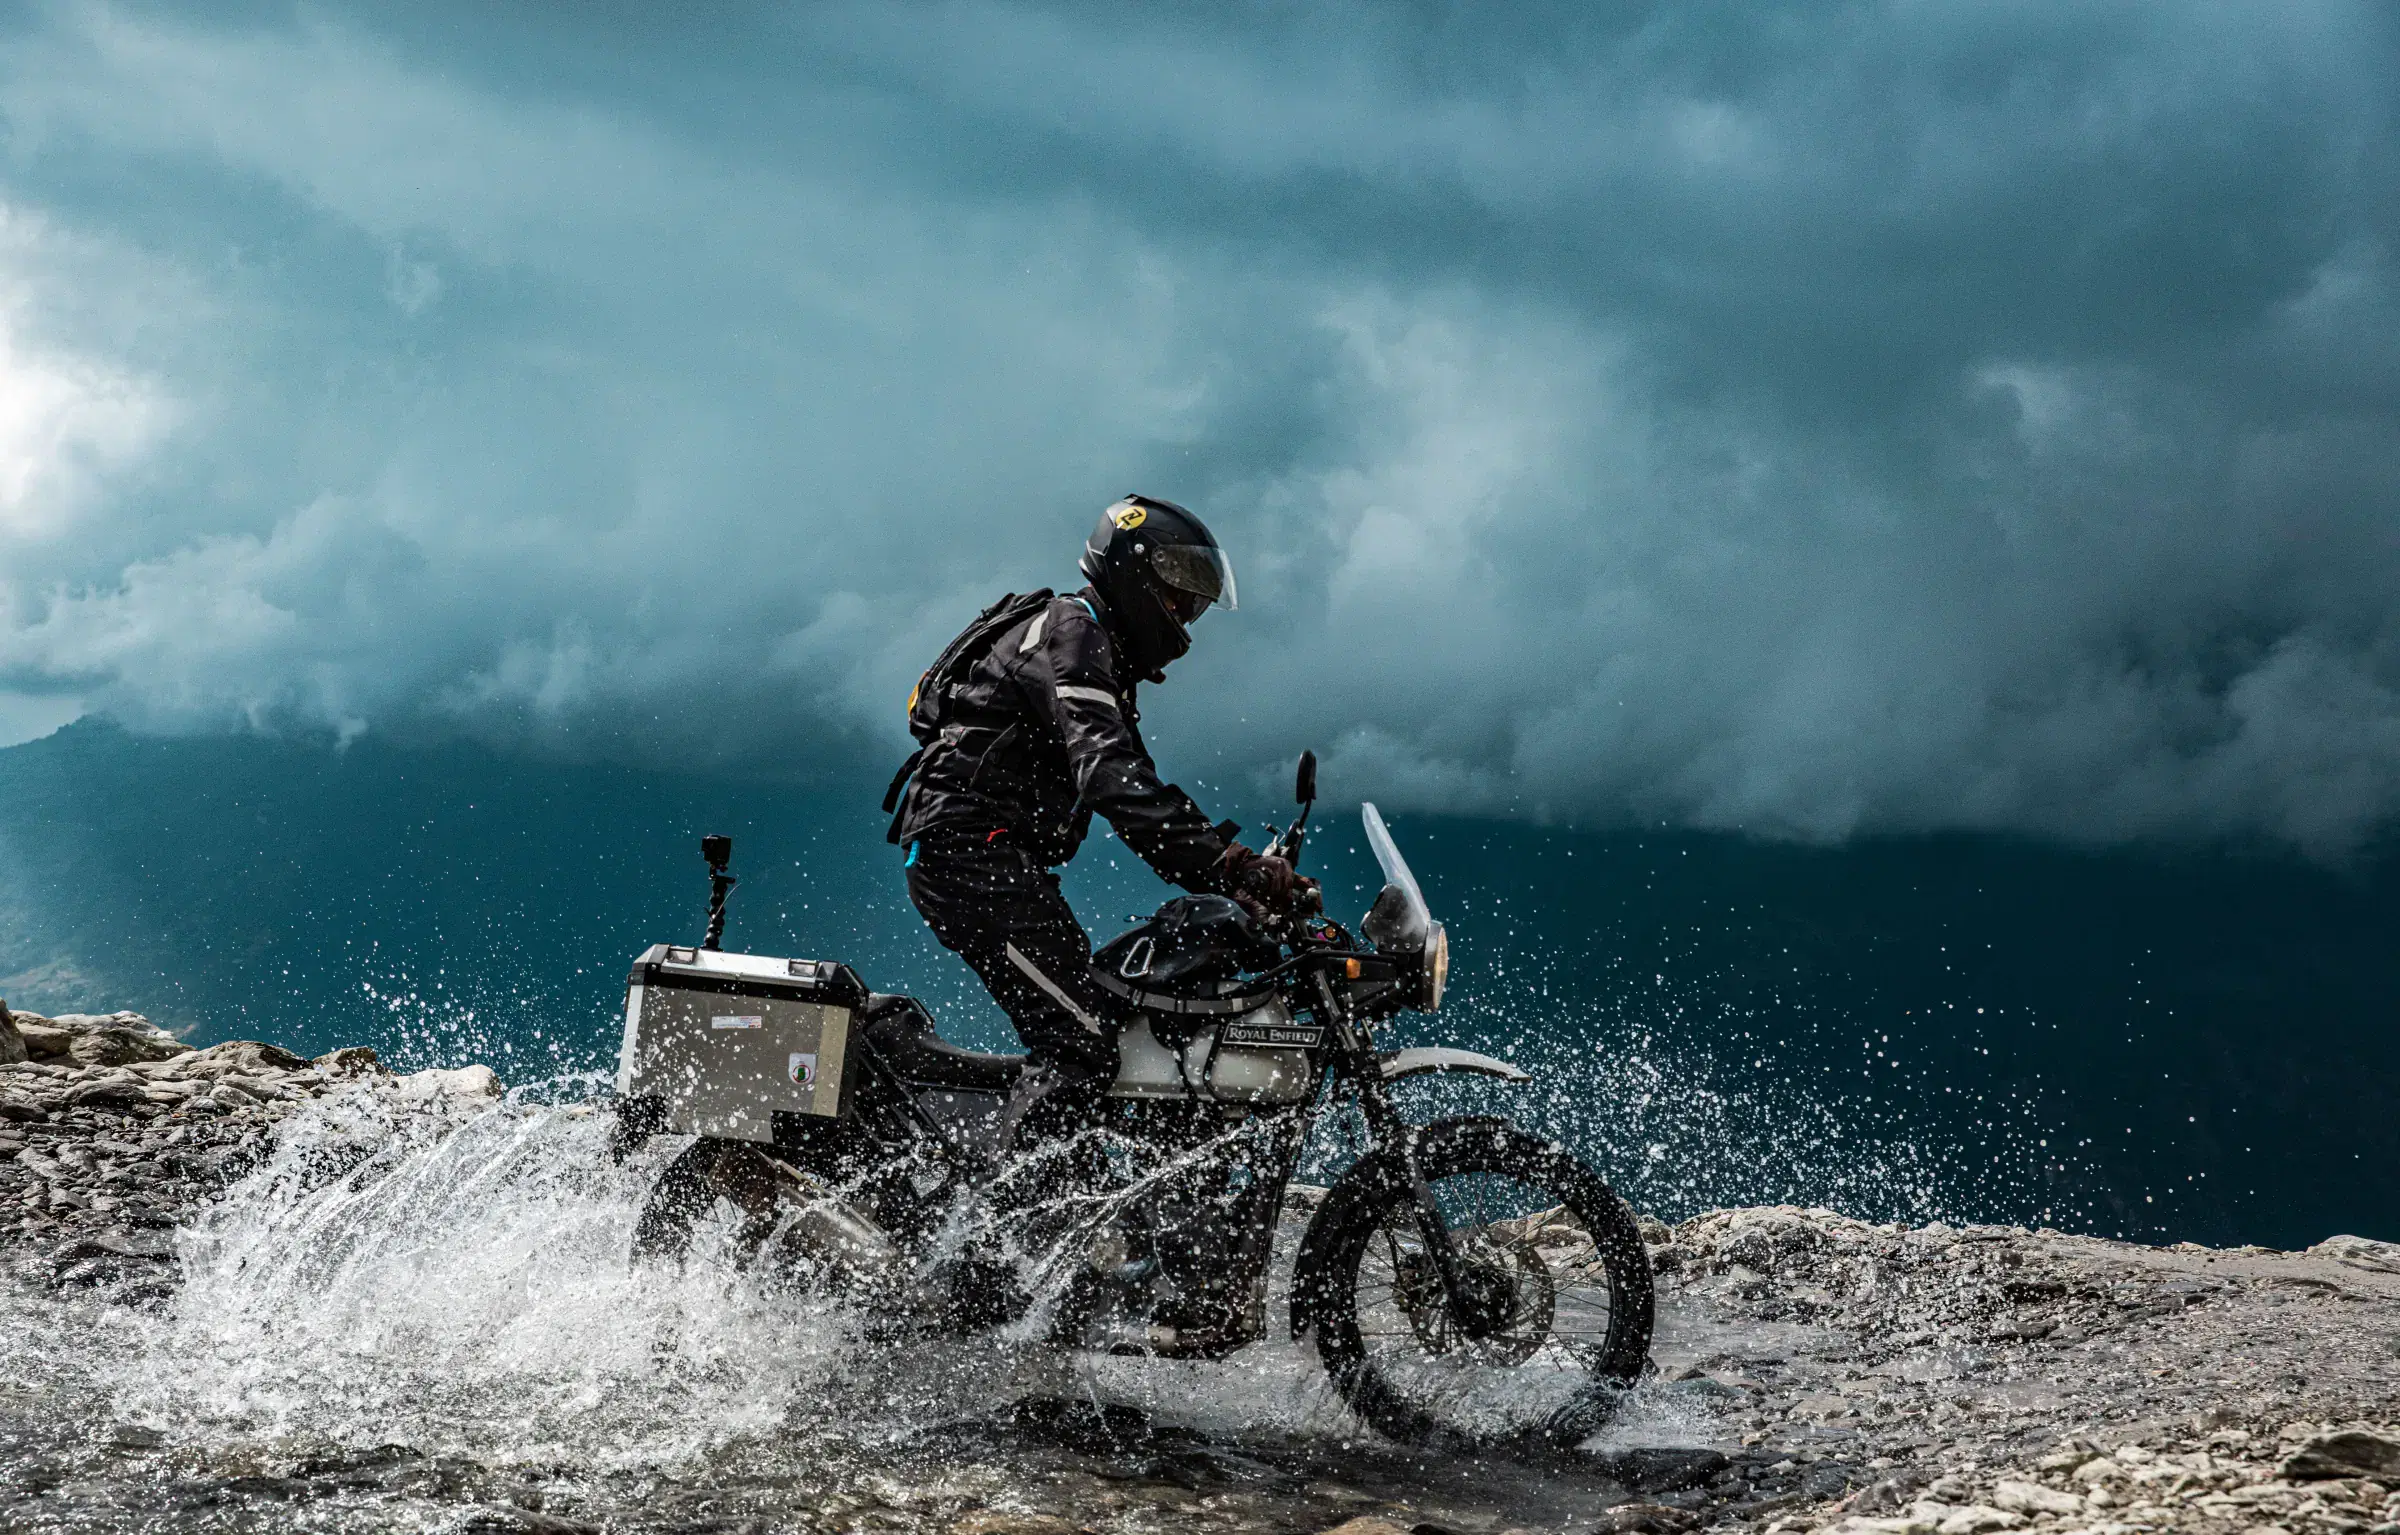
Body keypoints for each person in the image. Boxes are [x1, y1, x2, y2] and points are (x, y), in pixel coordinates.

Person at [885, 493, 1310, 1187]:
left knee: (1104, 1012)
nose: (1184, 617)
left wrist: (1230, 872)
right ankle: (992, 1250)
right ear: (1135, 575)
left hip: (994, 858)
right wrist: (1231, 866)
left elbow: (1139, 787)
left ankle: (1084, 1221)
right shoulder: (1071, 632)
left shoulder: (1091, 649)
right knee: (1079, 1035)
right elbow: (1114, 781)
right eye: (1177, 596)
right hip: (968, 855)